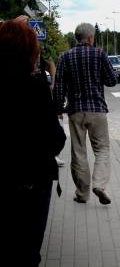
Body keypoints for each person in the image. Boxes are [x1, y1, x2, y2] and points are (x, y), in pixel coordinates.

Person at [1, 16, 66, 266]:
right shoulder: (36, 87)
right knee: (27, 253)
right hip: (31, 185)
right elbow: (55, 140)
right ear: (30, 53)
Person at [53, 22, 117, 205]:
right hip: (97, 110)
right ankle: (99, 185)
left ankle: (82, 194)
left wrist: (58, 108)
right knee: (102, 149)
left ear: (76, 38)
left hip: (75, 111)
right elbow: (112, 80)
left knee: (79, 152)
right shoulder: (99, 54)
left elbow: (58, 87)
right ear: (90, 38)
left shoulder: (65, 57)